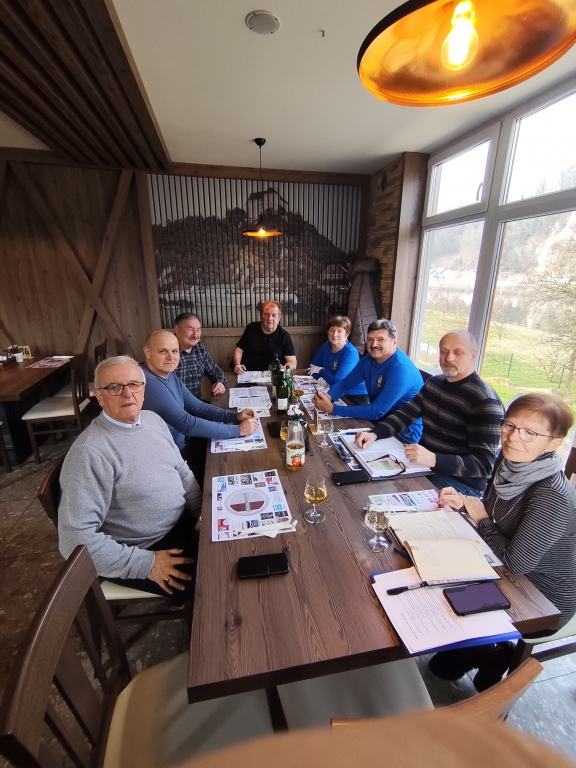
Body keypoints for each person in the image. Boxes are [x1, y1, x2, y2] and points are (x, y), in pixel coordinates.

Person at [428, 393, 576, 691]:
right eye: (509, 425)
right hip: (501, 568)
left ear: (553, 443)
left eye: (530, 433)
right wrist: (466, 503)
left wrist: (481, 518)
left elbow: (516, 563)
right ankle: (487, 649)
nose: (512, 437)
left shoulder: (551, 494)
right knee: (440, 660)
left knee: (437, 603)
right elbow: (495, 510)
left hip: (541, 596)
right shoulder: (509, 461)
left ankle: (496, 651)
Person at [58, 356, 201, 599]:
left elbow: (182, 471)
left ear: (144, 389)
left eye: (134, 384)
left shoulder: (153, 420)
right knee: (220, 585)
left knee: (240, 548)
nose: (127, 394)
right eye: (114, 387)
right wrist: (146, 564)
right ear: (99, 397)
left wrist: (200, 513)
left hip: (184, 523)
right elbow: (73, 540)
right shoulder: (90, 452)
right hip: (146, 548)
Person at [355, 331, 504, 496]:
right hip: (424, 466)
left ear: (473, 355)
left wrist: (434, 459)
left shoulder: (485, 400)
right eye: (444, 351)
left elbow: (484, 465)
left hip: (460, 483)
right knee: (366, 479)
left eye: (458, 353)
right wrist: (375, 433)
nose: (448, 358)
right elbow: (405, 415)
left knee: (383, 492)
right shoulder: (434, 383)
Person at [142, 330, 258, 486]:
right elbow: (187, 423)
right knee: (230, 472)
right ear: (147, 353)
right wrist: (238, 430)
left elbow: (197, 406)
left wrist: (235, 416)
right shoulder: (149, 383)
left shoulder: (169, 375)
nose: (171, 357)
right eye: (162, 351)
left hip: (181, 448)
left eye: (175, 351)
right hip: (168, 462)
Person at [313, 319, 423, 442]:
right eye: (370, 339)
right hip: (379, 422)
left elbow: (376, 411)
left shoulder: (401, 369)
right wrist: (329, 396)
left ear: (394, 342)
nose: (374, 344)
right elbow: (345, 384)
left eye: (381, 339)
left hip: (404, 432)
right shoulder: (369, 359)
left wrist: (333, 409)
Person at [308, 315, 368, 405]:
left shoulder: (350, 353)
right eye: (332, 330)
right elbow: (311, 368)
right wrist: (322, 379)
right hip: (333, 392)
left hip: (353, 396)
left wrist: (321, 371)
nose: (334, 334)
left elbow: (338, 383)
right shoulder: (327, 345)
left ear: (346, 335)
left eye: (339, 331)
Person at [233, 300, 297, 373]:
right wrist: (237, 364)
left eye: (274, 315)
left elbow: (292, 362)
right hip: (248, 373)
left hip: (273, 374)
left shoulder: (284, 335)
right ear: (262, 316)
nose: (269, 318)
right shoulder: (251, 328)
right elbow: (239, 349)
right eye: (266, 314)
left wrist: (282, 369)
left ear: (279, 318)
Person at [173, 312, 227, 398]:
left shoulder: (199, 349)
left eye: (198, 330)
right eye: (190, 329)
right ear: (177, 329)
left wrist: (220, 383)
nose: (195, 335)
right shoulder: (168, 351)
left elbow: (215, 371)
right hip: (174, 404)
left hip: (196, 403)